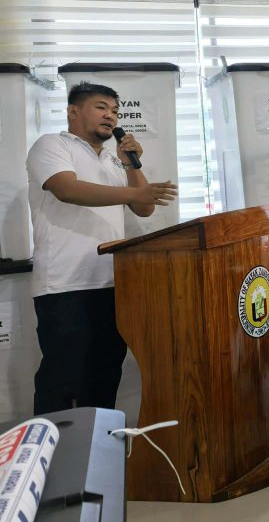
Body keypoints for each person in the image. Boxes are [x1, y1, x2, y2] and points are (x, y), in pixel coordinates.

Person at [27, 81, 178, 414]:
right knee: (63, 379)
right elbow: (67, 189)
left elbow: (144, 208)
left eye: (115, 111)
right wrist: (135, 193)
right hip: (65, 285)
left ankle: (99, 453)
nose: (110, 116)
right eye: (101, 107)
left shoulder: (112, 160)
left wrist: (129, 165)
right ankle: (52, 460)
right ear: (73, 111)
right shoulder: (52, 145)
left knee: (105, 374)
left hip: (112, 284)